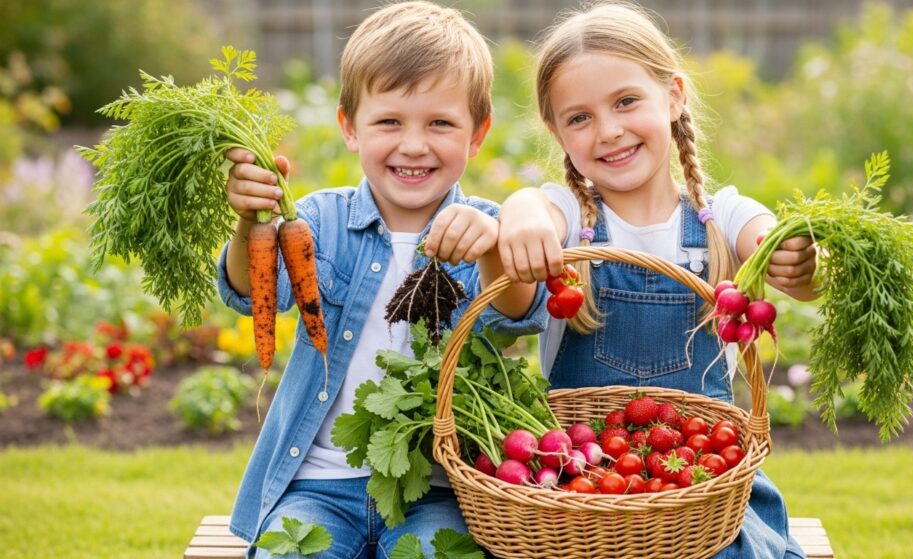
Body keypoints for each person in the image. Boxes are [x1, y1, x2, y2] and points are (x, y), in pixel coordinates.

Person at [217, 2, 544, 557]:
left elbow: (517, 311)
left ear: (478, 133)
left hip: (439, 490)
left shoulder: (485, 227)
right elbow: (252, 295)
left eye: (440, 123)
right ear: (350, 127)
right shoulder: (316, 221)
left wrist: (492, 245)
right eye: (390, 122)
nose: (413, 145)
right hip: (317, 486)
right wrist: (251, 222)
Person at [497, 2, 817, 557]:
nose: (609, 131)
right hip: (584, 493)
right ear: (557, 132)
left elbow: (781, 254)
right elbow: (532, 214)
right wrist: (520, 210)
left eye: (626, 101)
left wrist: (797, 258)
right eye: (579, 118)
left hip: (701, 490)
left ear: (673, 96)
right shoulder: (567, 219)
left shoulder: (725, 218)